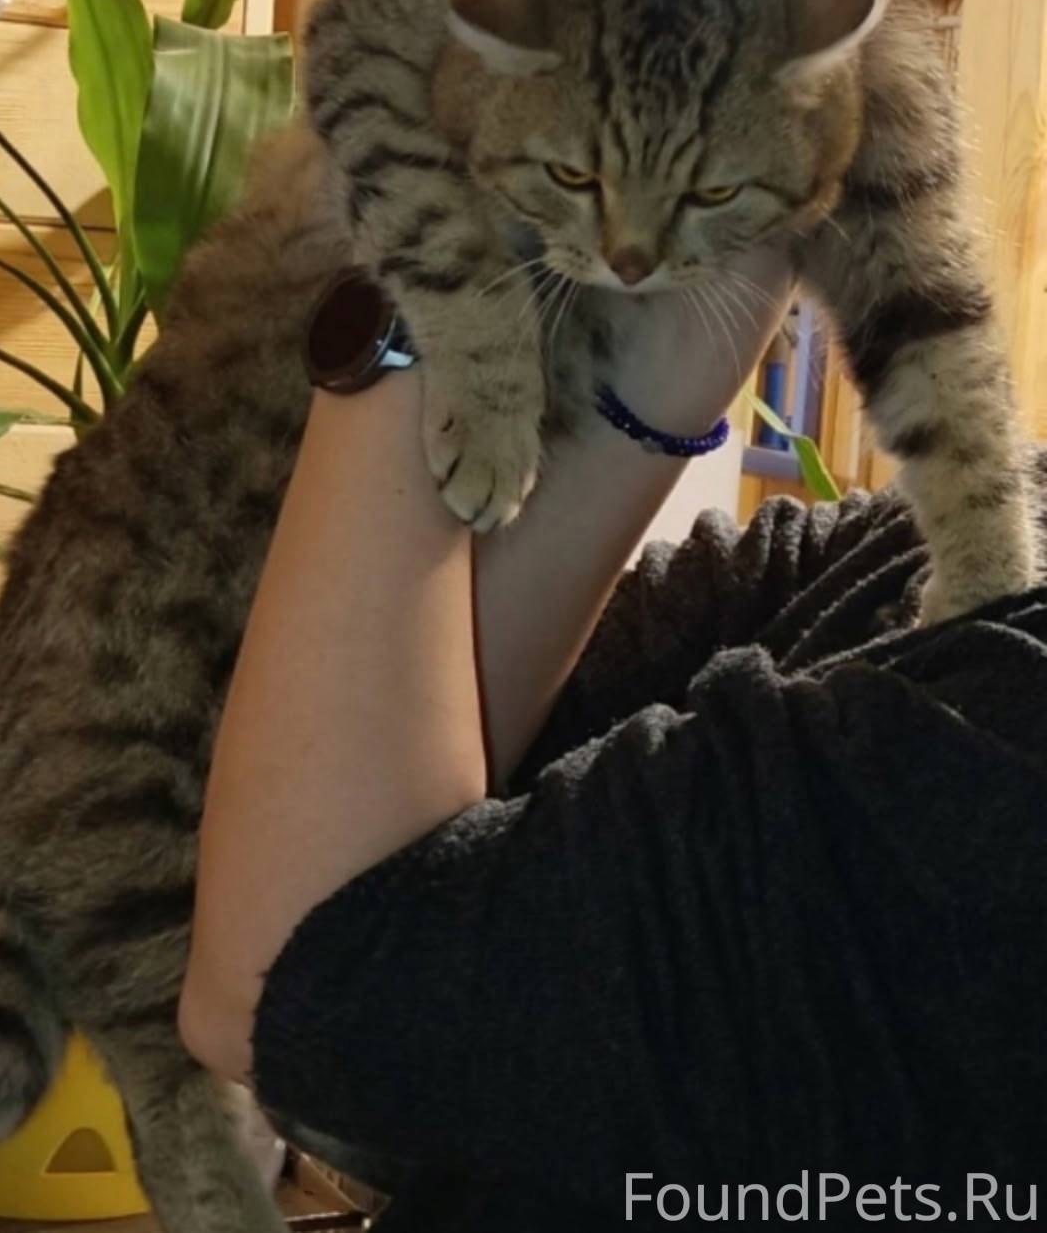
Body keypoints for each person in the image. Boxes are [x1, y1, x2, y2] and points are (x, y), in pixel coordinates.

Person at [179, 252, 1047, 1231]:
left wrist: (426, 252)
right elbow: (345, 801)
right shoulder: (894, 547)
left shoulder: (1004, 724)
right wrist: (668, 370)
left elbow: (300, 977)